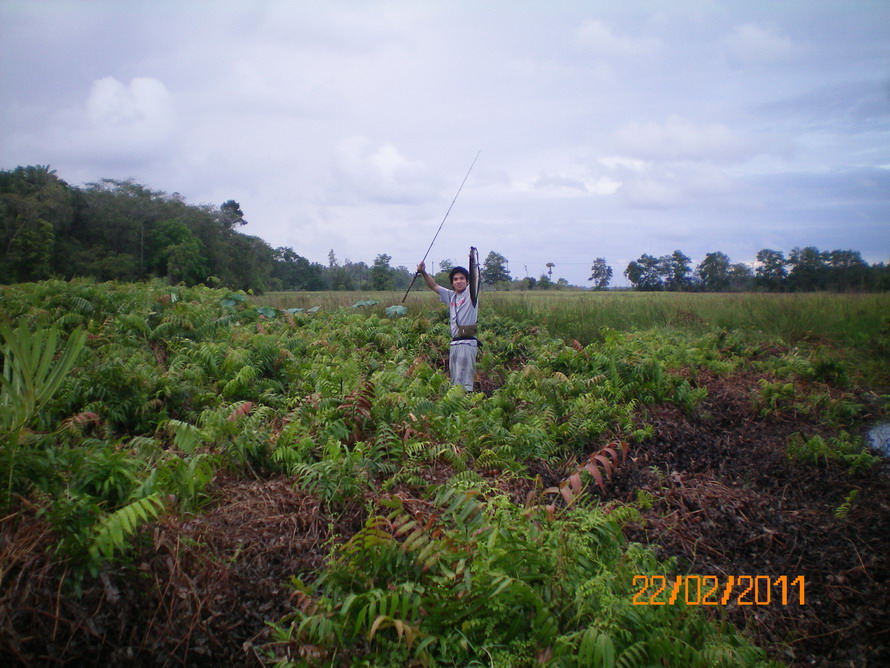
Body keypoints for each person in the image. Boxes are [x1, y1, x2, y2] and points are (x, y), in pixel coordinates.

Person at [416, 260, 478, 391]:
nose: (459, 281)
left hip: (467, 343)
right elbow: (434, 286)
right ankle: (458, 409)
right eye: (455, 279)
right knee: (455, 382)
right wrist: (423, 272)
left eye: (462, 278)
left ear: (467, 282)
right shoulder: (451, 296)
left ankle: (468, 408)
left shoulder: (470, 295)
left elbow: (476, 278)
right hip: (454, 344)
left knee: (465, 383)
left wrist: (472, 260)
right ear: (452, 283)